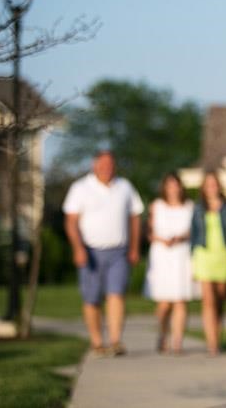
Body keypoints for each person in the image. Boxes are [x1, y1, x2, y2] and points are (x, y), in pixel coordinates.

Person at [63, 150, 143, 357]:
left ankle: (115, 340)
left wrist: (134, 247)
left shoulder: (125, 187)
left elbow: (135, 218)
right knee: (92, 299)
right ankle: (97, 341)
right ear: (94, 165)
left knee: (116, 295)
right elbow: (71, 222)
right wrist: (78, 249)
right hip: (90, 251)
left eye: (110, 165)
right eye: (103, 164)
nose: (107, 168)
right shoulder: (80, 188)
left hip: (119, 250)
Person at [190, 171, 226, 355]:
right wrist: (191, 263)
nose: (212, 187)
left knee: (220, 301)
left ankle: (217, 335)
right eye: (208, 184)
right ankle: (212, 344)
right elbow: (193, 236)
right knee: (208, 301)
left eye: (214, 184)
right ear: (204, 188)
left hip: (223, 256)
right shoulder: (198, 208)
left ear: (219, 186)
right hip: (203, 255)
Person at [144, 172, 197, 354]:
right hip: (162, 256)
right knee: (164, 303)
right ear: (165, 187)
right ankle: (163, 334)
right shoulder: (156, 206)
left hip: (181, 255)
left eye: (176, 184)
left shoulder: (190, 207)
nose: (173, 188)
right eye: (170, 184)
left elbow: (194, 231)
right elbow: (149, 231)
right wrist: (161, 239)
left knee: (181, 300)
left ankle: (177, 342)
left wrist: (181, 237)